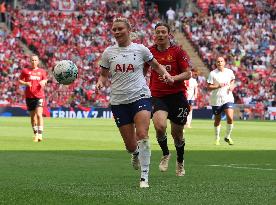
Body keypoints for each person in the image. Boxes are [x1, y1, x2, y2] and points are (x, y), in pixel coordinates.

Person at [96, 17, 173, 188]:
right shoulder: (109, 52)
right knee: (131, 145)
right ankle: (135, 153)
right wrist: (101, 82)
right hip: (118, 101)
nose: (116, 32)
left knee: (143, 135)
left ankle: (144, 177)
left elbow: (155, 64)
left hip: (140, 96)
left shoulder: (141, 50)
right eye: (114, 29)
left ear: (128, 30)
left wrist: (165, 74)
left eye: (120, 29)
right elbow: (103, 74)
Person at [146, 22, 192, 176]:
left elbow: (188, 73)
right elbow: (143, 70)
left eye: (163, 32)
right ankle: (166, 154)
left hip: (177, 97)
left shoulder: (178, 52)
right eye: (157, 32)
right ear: (154, 34)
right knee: (159, 126)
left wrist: (173, 78)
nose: (160, 34)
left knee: (177, 134)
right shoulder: (149, 52)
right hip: (158, 96)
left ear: (168, 34)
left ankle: (180, 161)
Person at [207, 56, 235, 146]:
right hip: (216, 100)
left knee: (230, 117)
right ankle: (217, 138)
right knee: (217, 120)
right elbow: (209, 87)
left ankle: (227, 136)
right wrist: (217, 86)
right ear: (216, 63)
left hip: (228, 98)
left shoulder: (229, 72)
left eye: (221, 61)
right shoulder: (212, 74)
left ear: (224, 62)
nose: (219, 63)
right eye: (218, 61)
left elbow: (233, 80)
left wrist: (231, 86)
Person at [19, 55, 48, 142]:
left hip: (39, 96)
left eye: (35, 60)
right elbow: (20, 80)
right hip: (29, 96)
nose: (34, 62)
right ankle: (35, 134)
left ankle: (40, 134)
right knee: (33, 117)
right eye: (32, 60)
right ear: (30, 61)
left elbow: (45, 80)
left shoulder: (42, 71)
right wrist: (25, 83)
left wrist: (44, 81)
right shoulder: (25, 71)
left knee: (39, 115)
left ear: (38, 61)